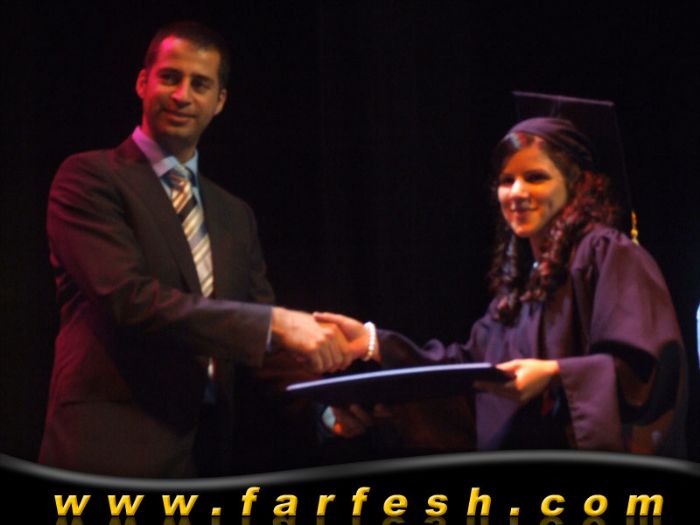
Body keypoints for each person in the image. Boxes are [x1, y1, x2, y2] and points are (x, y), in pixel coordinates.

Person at [38, 20, 353, 478]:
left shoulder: (234, 215)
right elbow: (129, 298)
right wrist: (278, 323)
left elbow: (261, 346)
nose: (182, 95)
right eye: (170, 77)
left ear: (219, 101)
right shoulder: (90, 178)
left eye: (200, 84)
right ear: (143, 82)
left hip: (204, 454)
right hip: (109, 450)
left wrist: (327, 408)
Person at [315, 95, 687, 456]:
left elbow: (645, 371)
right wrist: (371, 343)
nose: (517, 192)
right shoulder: (522, 286)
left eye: (536, 177)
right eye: (507, 180)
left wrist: (555, 374)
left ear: (576, 185)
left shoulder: (607, 254)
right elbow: (466, 376)